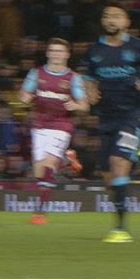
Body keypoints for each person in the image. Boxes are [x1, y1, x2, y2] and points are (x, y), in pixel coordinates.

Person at [82, 4, 140, 243]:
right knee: (108, 176)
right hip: (106, 118)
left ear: (126, 22)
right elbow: (89, 77)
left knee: (117, 162)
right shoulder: (94, 50)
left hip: (132, 115)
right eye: (106, 16)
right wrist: (90, 91)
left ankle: (120, 229)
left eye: (116, 16)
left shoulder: (138, 47)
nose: (110, 19)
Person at [18, 37, 89, 225]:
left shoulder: (73, 78)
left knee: (48, 167)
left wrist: (76, 105)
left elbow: (84, 105)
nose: (56, 54)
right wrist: (25, 97)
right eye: (53, 50)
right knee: (39, 173)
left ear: (67, 54)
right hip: (39, 126)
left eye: (60, 51)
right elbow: (24, 93)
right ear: (48, 53)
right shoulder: (36, 73)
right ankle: (66, 160)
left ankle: (39, 214)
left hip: (61, 126)